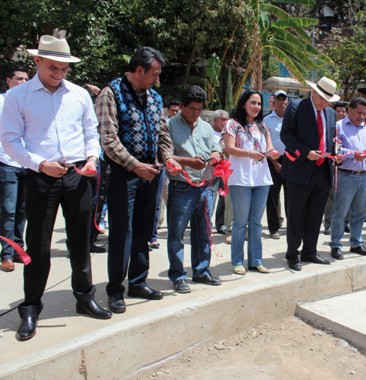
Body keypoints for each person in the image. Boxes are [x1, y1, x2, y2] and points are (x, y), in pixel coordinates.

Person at [1, 35, 112, 341]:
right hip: (41, 175)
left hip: (78, 172)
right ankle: (31, 306)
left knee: (80, 241)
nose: (59, 73)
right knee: (38, 244)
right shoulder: (18, 97)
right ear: (36, 61)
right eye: (53, 67)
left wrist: (92, 156)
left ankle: (84, 296)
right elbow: (10, 140)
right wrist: (39, 164)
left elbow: (91, 131)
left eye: (64, 68)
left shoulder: (78, 95)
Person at [96, 47, 181, 314]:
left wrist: (168, 158)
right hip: (124, 174)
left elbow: (163, 134)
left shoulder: (155, 98)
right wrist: (135, 166)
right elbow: (108, 140)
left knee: (144, 231)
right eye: (154, 74)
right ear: (140, 70)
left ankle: (138, 281)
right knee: (122, 234)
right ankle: (115, 290)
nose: (157, 79)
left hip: (152, 174)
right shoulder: (111, 93)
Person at [166, 85, 222, 293]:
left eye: (199, 109)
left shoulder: (206, 127)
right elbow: (165, 155)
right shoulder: (170, 126)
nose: (195, 113)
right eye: (191, 109)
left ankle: (201, 270)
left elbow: (216, 147)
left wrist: (216, 155)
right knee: (177, 234)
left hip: (205, 188)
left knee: (203, 232)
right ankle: (178, 275)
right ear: (181, 106)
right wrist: (188, 162)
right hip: (182, 187)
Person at [280, 77, 339, 271]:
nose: (324, 102)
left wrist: (336, 155)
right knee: (296, 214)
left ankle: (310, 251)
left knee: (315, 214)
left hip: (323, 171)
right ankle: (292, 254)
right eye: (322, 98)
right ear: (314, 92)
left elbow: (329, 139)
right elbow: (286, 135)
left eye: (328, 100)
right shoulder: (297, 107)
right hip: (300, 169)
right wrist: (306, 153)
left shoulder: (330, 114)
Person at [223, 90, 279, 275]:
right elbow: (229, 148)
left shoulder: (262, 125)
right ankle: (237, 261)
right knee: (240, 222)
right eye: (252, 102)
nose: (256, 107)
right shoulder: (233, 124)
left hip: (261, 178)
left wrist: (273, 153)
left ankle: (256, 260)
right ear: (244, 103)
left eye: (258, 103)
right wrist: (249, 154)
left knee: (256, 222)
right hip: (240, 179)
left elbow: (269, 147)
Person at [329, 97, 366, 260]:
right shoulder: (338, 127)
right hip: (346, 174)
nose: (361, 116)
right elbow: (336, 149)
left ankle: (356, 243)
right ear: (349, 111)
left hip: (363, 175)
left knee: (360, 212)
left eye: (364, 114)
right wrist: (353, 155)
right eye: (359, 112)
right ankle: (336, 245)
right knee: (340, 212)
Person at [0, 66, 29, 272]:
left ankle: (19, 249)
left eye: (27, 78)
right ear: (8, 81)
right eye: (19, 78)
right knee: (8, 211)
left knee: (23, 210)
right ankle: (7, 255)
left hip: (28, 163)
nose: (24, 82)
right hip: (6, 162)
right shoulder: (2, 101)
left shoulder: (31, 102)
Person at [264, 90, 288, 239]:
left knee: (291, 195)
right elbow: (266, 144)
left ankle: (292, 225)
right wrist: (275, 163)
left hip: (291, 160)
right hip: (273, 160)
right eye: (279, 99)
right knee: (272, 195)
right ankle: (274, 228)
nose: (282, 102)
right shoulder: (266, 120)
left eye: (284, 99)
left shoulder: (293, 118)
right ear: (273, 102)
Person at [323, 101, 349, 235]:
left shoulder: (349, 128)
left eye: (343, 111)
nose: (341, 113)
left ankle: (345, 223)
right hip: (331, 165)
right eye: (338, 111)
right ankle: (328, 224)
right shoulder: (330, 126)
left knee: (346, 196)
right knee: (331, 196)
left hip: (347, 167)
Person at [211, 109, 229, 234]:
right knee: (210, 197)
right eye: (223, 119)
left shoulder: (228, 134)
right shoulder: (209, 132)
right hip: (212, 170)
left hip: (225, 170)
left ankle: (220, 224)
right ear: (215, 120)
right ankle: (207, 223)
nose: (225, 122)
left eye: (227, 119)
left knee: (224, 198)